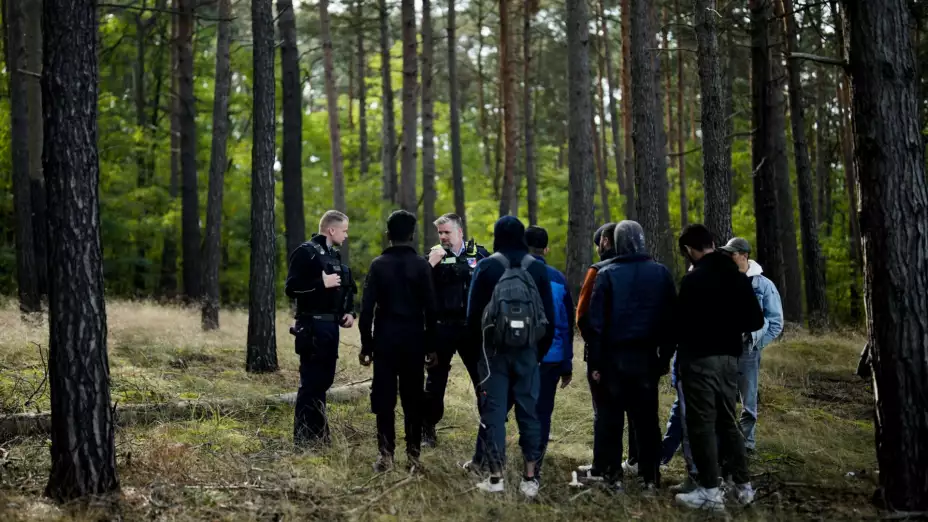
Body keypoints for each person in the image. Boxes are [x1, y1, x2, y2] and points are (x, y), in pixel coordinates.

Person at [673, 224, 764, 511]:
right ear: (713, 243)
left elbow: (679, 325)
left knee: (701, 425)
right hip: (729, 361)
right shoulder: (737, 277)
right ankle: (743, 486)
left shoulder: (693, 280)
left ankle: (710, 491)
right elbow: (756, 321)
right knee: (728, 423)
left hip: (699, 361)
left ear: (689, 250)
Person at [465, 216, 555, 498]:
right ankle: (530, 478)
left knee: (493, 414)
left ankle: (496, 478)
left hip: (493, 355)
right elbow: (548, 319)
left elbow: (472, 319)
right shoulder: (538, 268)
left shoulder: (487, 266)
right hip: (528, 353)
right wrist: (536, 353)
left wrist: (479, 358)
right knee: (529, 413)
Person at [586, 221, 676, 493]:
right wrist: (664, 358)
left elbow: (596, 325)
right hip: (647, 360)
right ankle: (650, 477)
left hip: (614, 361)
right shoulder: (660, 273)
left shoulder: (608, 274)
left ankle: (612, 477)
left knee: (611, 419)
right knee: (647, 422)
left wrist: (596, 364)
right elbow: (671, 321)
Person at [358, 210, 438, 472]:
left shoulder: (378, 265)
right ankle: (414, 457)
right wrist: (431, 346)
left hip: (385, 339)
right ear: (412, 235)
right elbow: (432, 311)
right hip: (414, 339)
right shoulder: (422, 266)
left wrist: (366, 345)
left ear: (388, 235)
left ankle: (386, 455)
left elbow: (366, 310)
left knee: (384, 397)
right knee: (413, 398)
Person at [285, 210, 357, 446]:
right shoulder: (305, 252)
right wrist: (319, 284)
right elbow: (291, 287)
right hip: (311, 326)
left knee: (324, 382)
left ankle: (319, 436)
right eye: (344, 230)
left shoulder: (333, 255)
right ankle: (304, 439)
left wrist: (348, 313)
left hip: (329, 327)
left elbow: (341, 291)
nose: (346, 235)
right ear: (332, 230)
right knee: (310, 383)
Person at [575, 223, 638, 480]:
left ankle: (604, 466)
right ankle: (637, 461)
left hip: (605, 354)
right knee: (637, 412)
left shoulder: (598, 271)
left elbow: (582, 315)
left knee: (605, 413)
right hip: (640, 354)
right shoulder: (648, 268)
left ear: (605, 242)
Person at [422, 213, 490, 447]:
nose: (443, 237)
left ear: (460, 232)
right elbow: (418, 288)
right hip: (443, 329)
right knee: (435, 381)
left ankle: (489, 428)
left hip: (472, 329)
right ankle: (427, 430)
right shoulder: (433, 256)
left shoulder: (480, 255)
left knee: (483, 378)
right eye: (440, 233)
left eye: (447, 232)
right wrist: (430, 264)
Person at [719, 237, 784, 453]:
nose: (729, 257)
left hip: (748, 347)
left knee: (748, 400)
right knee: (724, 396)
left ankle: (746, 443)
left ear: (744, 255)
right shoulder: (724, 280)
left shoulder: (763, 285)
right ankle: (727, 442)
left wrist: (757, 343)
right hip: (725, 347)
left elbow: (775, 321)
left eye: (732, 253)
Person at [524, 226, 575, 478]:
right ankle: (535, 464)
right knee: (542, 412)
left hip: (517, 355)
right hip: (551, 358)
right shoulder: (558, 278)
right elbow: (566, 323)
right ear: (546, 249)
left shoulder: (511, 272)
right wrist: (567, 363)